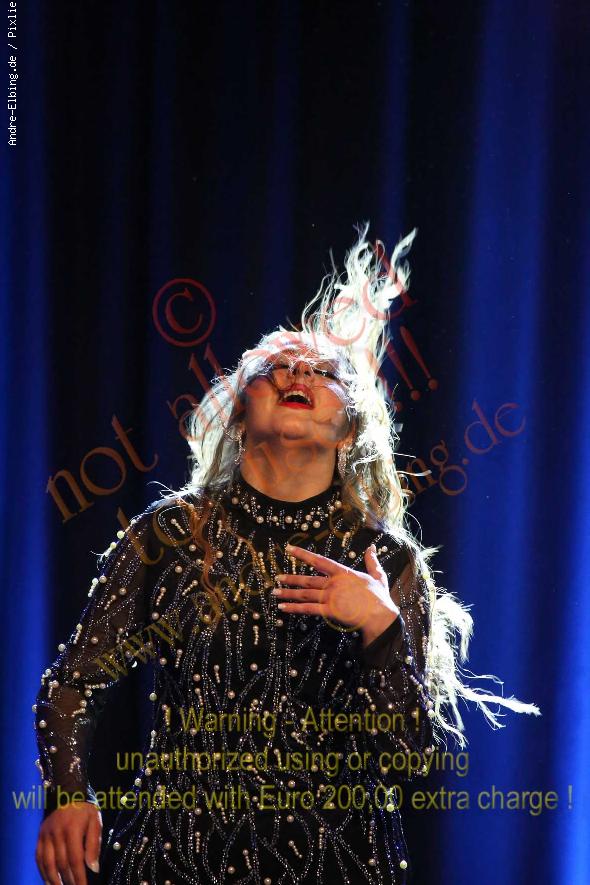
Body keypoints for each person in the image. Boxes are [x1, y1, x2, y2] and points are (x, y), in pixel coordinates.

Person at [33, 223, 540, 884]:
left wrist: (381, 628)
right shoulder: (171, 535)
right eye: (274, 366)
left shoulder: (385, 560)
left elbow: (408, 757)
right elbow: (73, 682)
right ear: (239, 412)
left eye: (324, 372)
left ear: (350, 428)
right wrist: (68, 793)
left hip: (340, 865)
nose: (298, 372)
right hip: (176, 861)